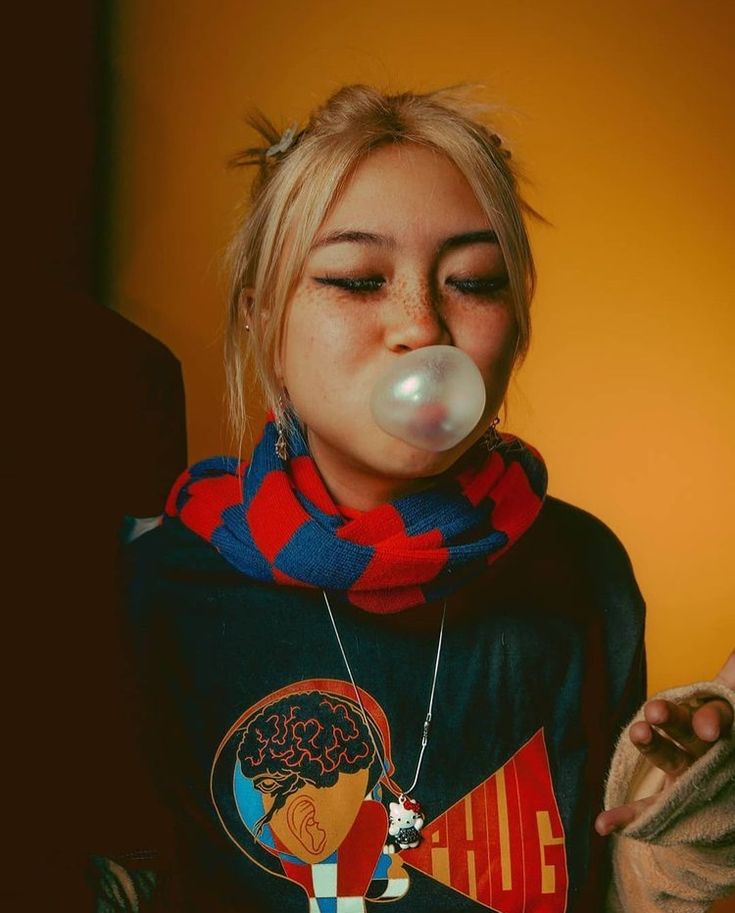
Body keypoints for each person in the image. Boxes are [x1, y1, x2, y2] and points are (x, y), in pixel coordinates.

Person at [113, 85, 734, 912]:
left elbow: (607, 889)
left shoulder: (581, 570)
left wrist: (680, 813)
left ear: (516, 325)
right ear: (263, 320)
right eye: (358, 278)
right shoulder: (156, 587)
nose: (422, 326)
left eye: (474, 281)